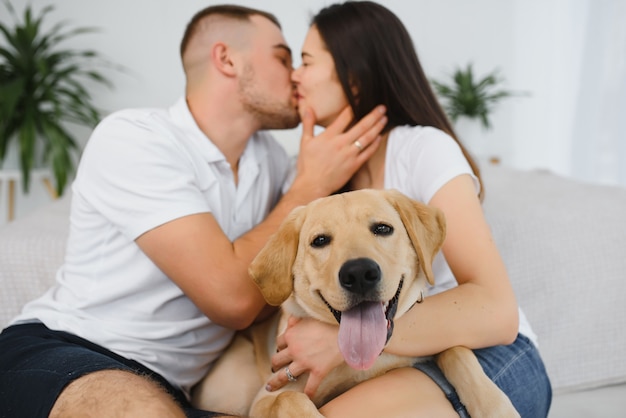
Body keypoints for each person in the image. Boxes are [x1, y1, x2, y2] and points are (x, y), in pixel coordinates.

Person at [0, 5, 388, 418]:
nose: (295, 74)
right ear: (226, 59)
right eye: (281, 56)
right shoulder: (134, 138)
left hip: (169, 388)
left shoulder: (274, 164)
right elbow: (233, 301)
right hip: (65, 350)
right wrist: (309, 186)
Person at [265, 2, 552, 417]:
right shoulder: (312, 177)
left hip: (486, 354)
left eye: (306, 61)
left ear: (354, 74)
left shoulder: (423, 149)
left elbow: (497, 311)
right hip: (379, 359)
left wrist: (336, 339)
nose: (294, 75)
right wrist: (307, 182)